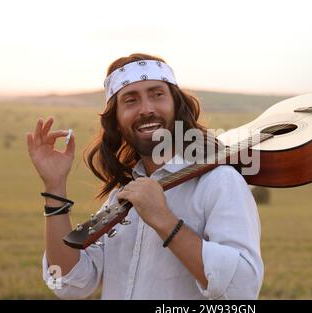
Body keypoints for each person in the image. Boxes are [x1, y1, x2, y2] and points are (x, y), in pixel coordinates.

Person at [26, 53, 264, 299]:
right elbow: (66, 284)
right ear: (116, 121)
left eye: (157, 94)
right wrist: (54, 186)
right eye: (130, 100)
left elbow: (242, 291)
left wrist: (163, 220)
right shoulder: (123, 196)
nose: (147, 109)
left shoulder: (220, 182)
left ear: (176, 105)